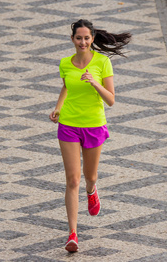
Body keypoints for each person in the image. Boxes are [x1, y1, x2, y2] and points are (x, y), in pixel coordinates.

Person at [49, 19, 131, 252]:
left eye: (86, 38)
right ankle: (72, 234)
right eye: (78, 38)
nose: (83, 42)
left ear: (92, 39)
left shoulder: (103, 62)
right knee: (72, 179)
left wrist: (94, 82)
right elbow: (66, 86)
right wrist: (58, 107)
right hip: (68, 125)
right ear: (72, 40)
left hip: (94, 125)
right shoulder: (65, 63)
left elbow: (111, 100)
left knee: (89, 176)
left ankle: (92, 190)